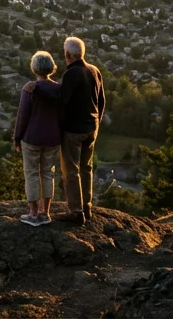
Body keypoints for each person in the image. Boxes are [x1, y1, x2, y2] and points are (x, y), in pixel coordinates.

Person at [31, 36, 106, 224]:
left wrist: (39, 91)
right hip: (92, 128)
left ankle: (76, 212)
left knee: (70, 171)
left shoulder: (72, 74)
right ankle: (87, 207)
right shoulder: (94, 70)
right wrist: (97, 122)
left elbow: (61, 101)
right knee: (86, 167)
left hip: (74, 130)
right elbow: (102, 101)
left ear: (68, 54)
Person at [14, 51, 63, 226]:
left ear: (34, 68)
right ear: (51, 68)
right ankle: (46, 212)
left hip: (31, 138)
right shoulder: (59, 89)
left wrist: (17, 138)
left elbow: (22, 116)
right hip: (53, 139)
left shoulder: (29, 88)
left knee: (32, 174)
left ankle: (33, 214)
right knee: (48, 174)